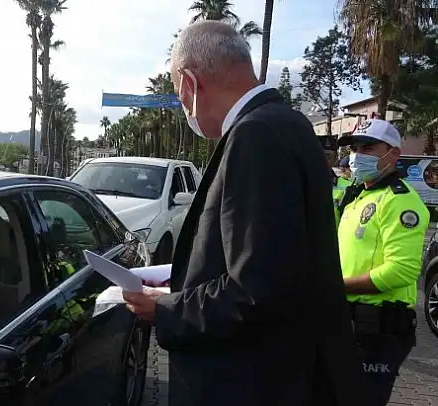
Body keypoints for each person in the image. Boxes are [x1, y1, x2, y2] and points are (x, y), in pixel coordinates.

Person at [122, 21, 363, 405]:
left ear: (190, 83)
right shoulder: (287, 123)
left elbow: (256, 291)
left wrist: (165, 309)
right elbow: (272, 260)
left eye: (180, 96)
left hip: (250, 382)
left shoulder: (255, 136)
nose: (185, 109)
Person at [336, 119, 428, 405]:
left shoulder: (400, 201)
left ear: (393, 154)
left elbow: (401, 270)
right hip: (352, 323)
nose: (357, 155)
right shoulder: (358, 198)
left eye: (368, 148)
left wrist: (336, 286)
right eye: (354, 148)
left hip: (378, 330)